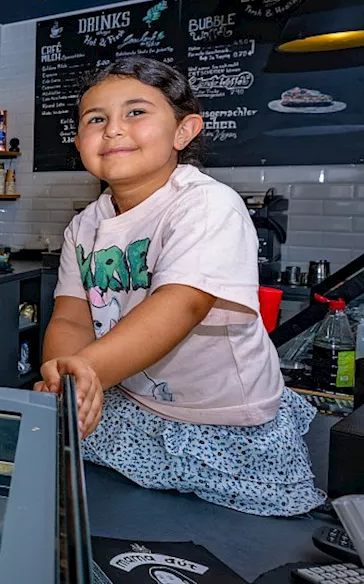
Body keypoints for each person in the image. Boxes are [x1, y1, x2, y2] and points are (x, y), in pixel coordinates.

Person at [34, 56, 323, 516]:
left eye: (136, 112)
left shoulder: (207, 204)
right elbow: (71, 316)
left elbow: (181, 305)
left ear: (184, 132)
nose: (112, 129)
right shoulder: (84, 227)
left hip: (225, 422)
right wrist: (69, 378)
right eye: (95, 119)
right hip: (133, 405)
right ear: (78, 140)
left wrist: (86, 369)